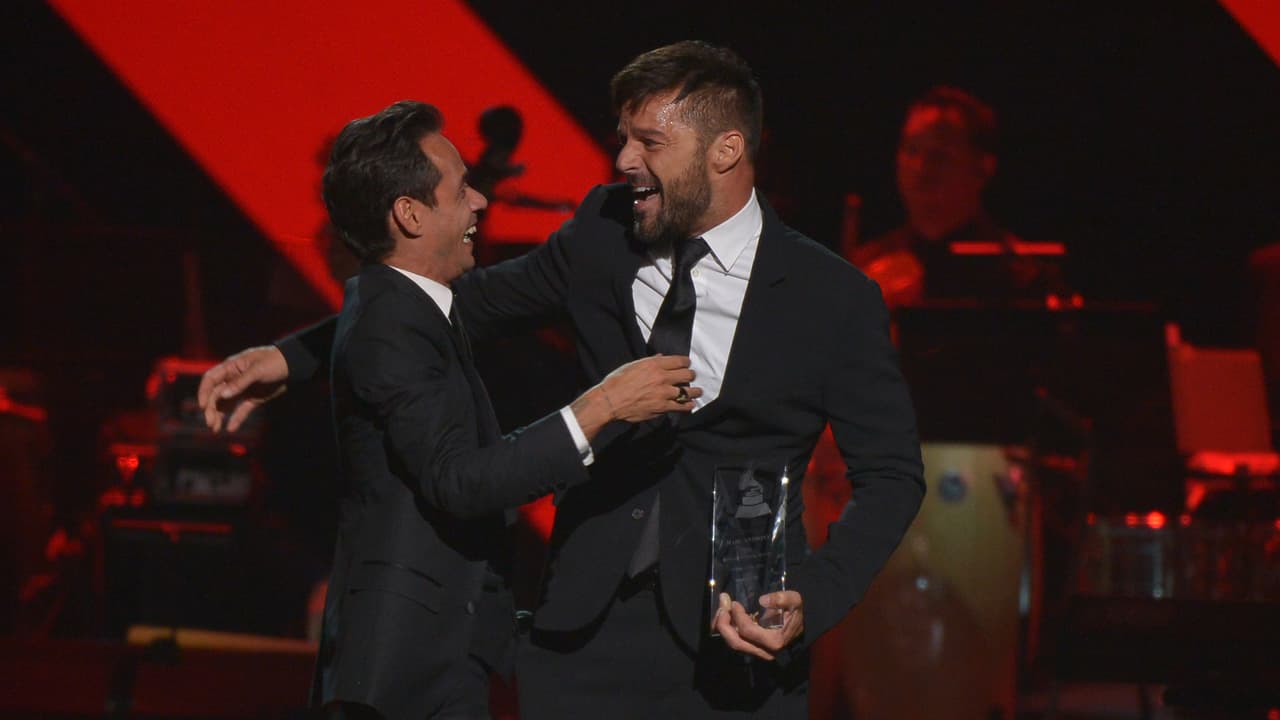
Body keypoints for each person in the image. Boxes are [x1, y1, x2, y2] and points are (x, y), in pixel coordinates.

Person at [199, 42, 924, 718]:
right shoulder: (602, 233)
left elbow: (891, 476)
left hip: (737, 645)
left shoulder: (835, 298)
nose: (623, 160)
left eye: (649, 142)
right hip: (583, 639)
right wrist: (295, 356)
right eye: (622, 136)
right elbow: (456, 309)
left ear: (726, 149)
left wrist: (813, 599)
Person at [281, 99, 699, 719]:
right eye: (461, 189)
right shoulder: (389, 322)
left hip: (439, 654)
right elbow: (461, 480)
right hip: (404, 674)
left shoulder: (411, 308)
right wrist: (602, 405)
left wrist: (287, 357)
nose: (480, 202)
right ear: (410, 213)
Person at [850, 86, 1065, 306]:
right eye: (912, 150)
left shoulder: (1021, 276)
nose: (922, 167)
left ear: (983, 167)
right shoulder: (865, 269)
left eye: (940, 154)